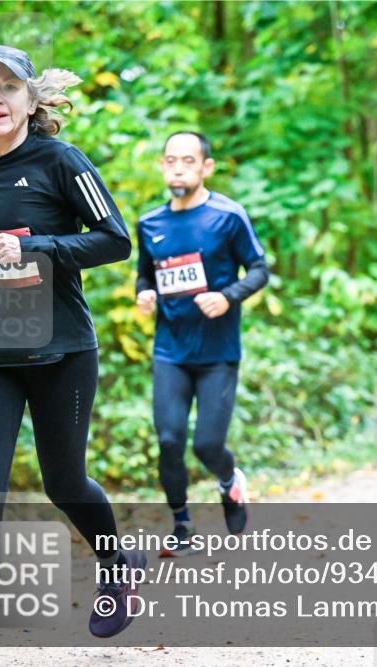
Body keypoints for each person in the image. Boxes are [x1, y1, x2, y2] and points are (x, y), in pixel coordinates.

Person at [0, 45, 144, 667]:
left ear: (31, 99)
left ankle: (117, 564)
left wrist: (37, 246)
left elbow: (114, 240)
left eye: (9, 88)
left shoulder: (61, 161)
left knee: (64, 481)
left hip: (62, 348)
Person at [136, 131, 268, 555]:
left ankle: (229, 481)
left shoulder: (228, 217)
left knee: (207, 445)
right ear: (162, 165)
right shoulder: (150, 223)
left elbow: (259, 269)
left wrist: (227, 296)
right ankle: (181, 524)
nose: (178, 168)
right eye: (171, 160)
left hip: (218, 354)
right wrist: (145, 292)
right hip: (170, 351)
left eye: (188, 161)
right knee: (170, 439)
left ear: (205, 167)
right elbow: (146, 273)